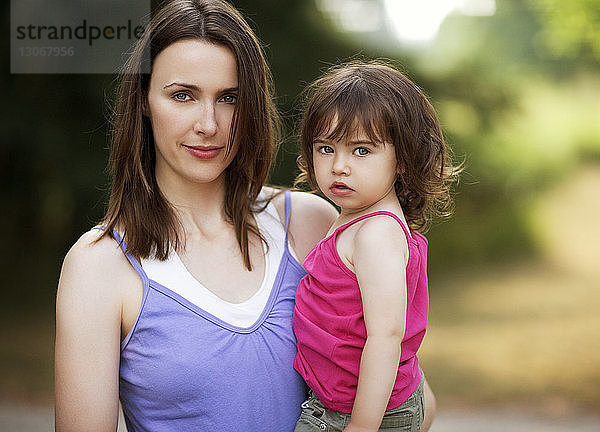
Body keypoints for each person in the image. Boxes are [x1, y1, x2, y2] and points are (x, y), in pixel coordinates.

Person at [54, 1, 340, 431]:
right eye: (183, 95)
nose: (209, 124)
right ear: (145, 101)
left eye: (229, 98)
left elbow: (413, 401)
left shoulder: (310, 224)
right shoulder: (99, 266)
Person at [292, 61, 459, 432]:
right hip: (348, 402)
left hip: (359, 414)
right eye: (325, 148)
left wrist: (362, 426)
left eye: (361, 150)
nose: (339, 166)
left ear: (402, 158)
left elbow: (386, 336)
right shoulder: (356, 217)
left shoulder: (376, 234)